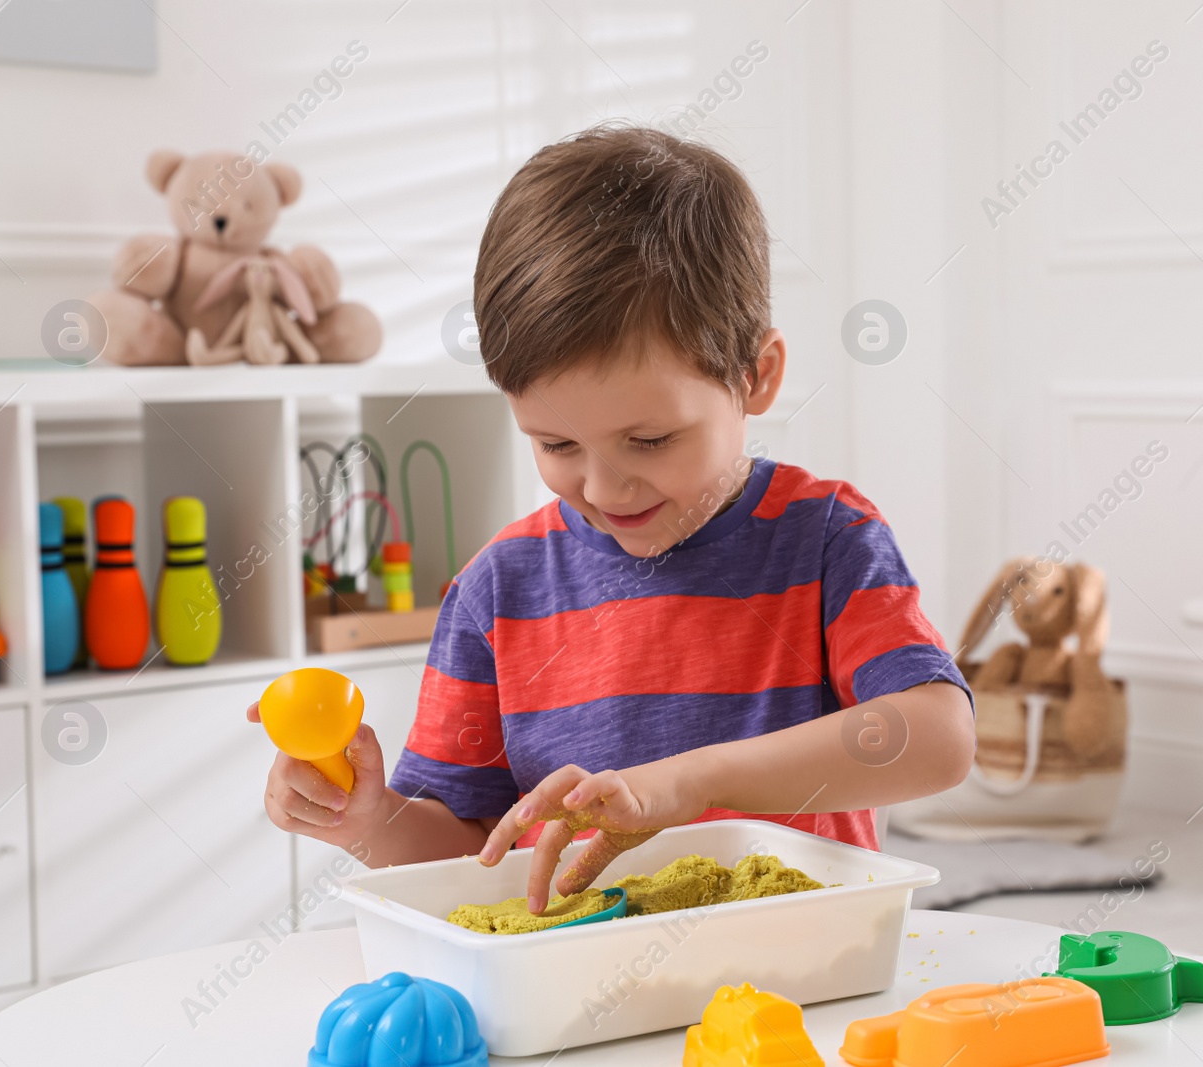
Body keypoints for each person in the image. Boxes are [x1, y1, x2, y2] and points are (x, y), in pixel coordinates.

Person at [251, 123, 975, 915]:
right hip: (575, 987)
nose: (604, 485)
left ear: (756, 375)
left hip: (798, 970)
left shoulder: (828, 536)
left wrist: (688, 783)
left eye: (650, 439)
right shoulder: (498, 590)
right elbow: (468, 842)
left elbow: (938, 737)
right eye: (556, 442)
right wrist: (370, 820)